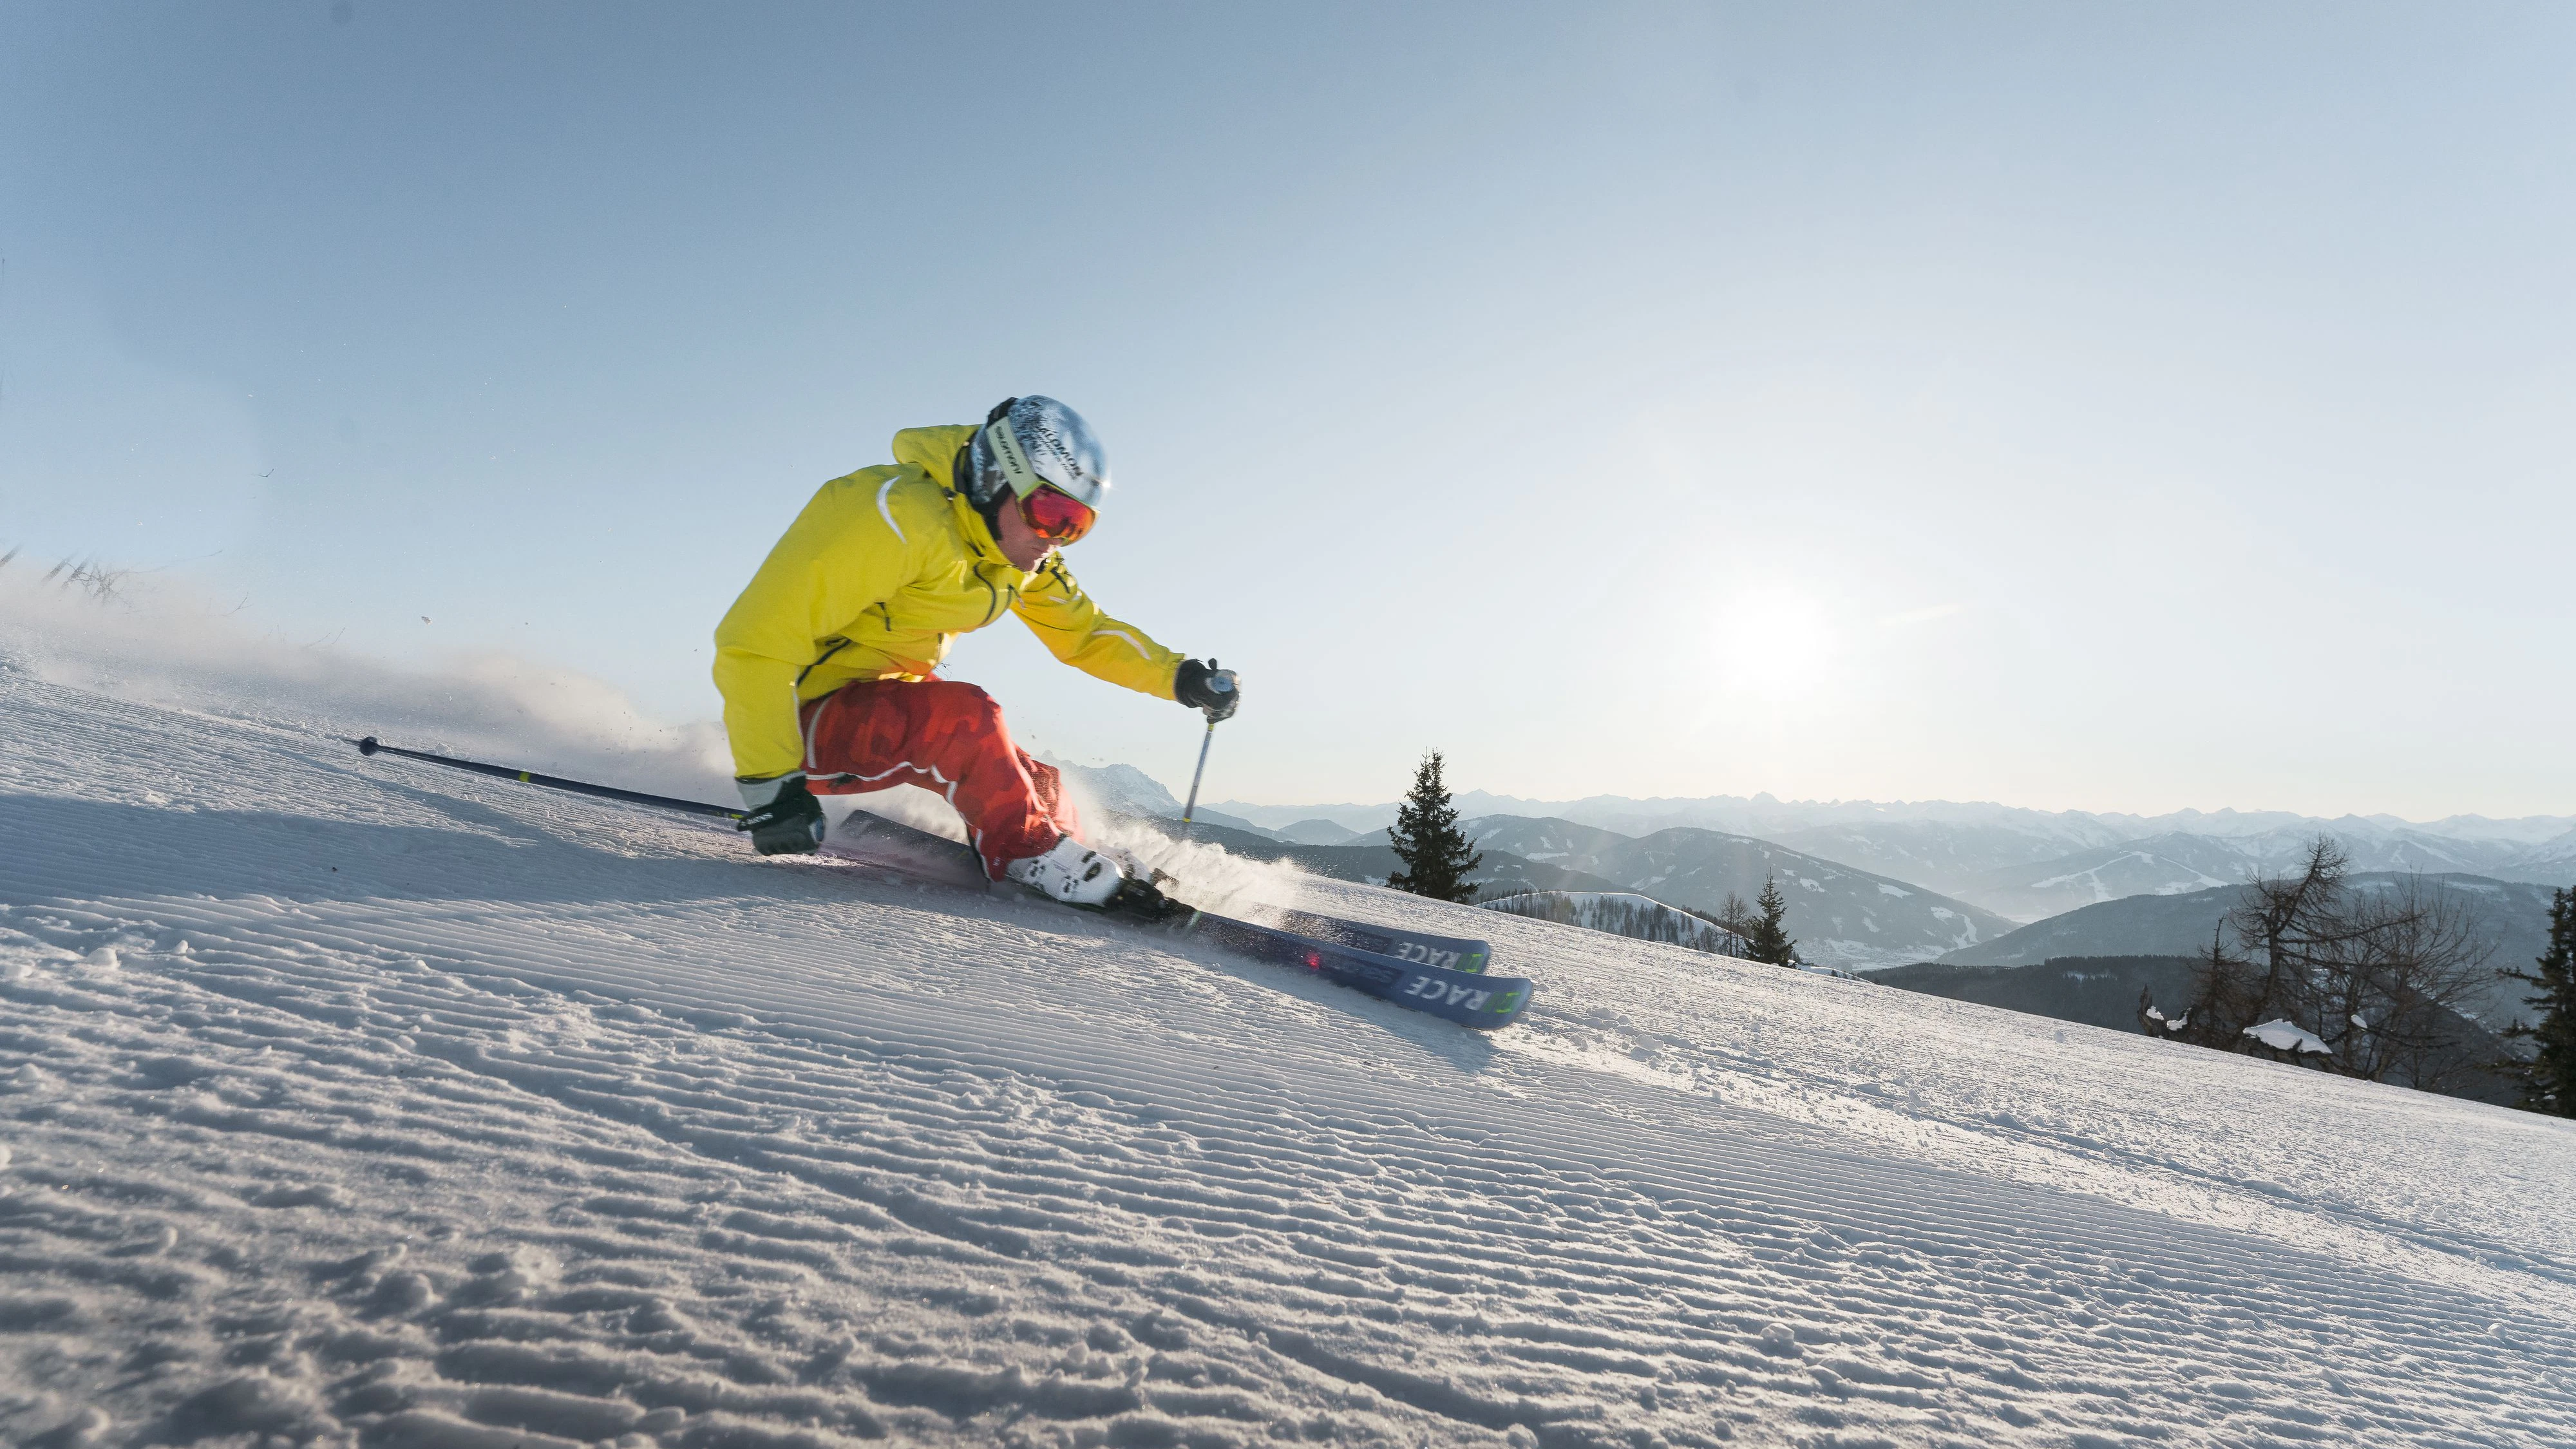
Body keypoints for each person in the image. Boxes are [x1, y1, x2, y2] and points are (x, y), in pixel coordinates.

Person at [711, 397, 1238, 907]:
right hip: (793, 720)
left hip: (876, 698)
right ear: (995, 478)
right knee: (968, 721)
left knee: (1034, 779)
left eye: (1076, 524)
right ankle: (1028, 857)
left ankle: (1073, 854)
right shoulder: (892, 516)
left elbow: (1084, 633)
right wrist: (771, 786)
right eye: (1051, 511)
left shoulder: (1015, 551)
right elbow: (755, 640)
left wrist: (1180, 677)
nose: (1056, 539)